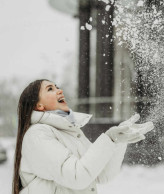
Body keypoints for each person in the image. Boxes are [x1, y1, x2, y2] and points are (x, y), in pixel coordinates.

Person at [12, 79, 154, 194]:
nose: (59, 90)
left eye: (57, 87)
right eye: (50, 89)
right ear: (39, 105)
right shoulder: (38, 134)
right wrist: (108, 138)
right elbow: (77, 177)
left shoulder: (68, 133)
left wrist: (118, 140)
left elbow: (102, 175)